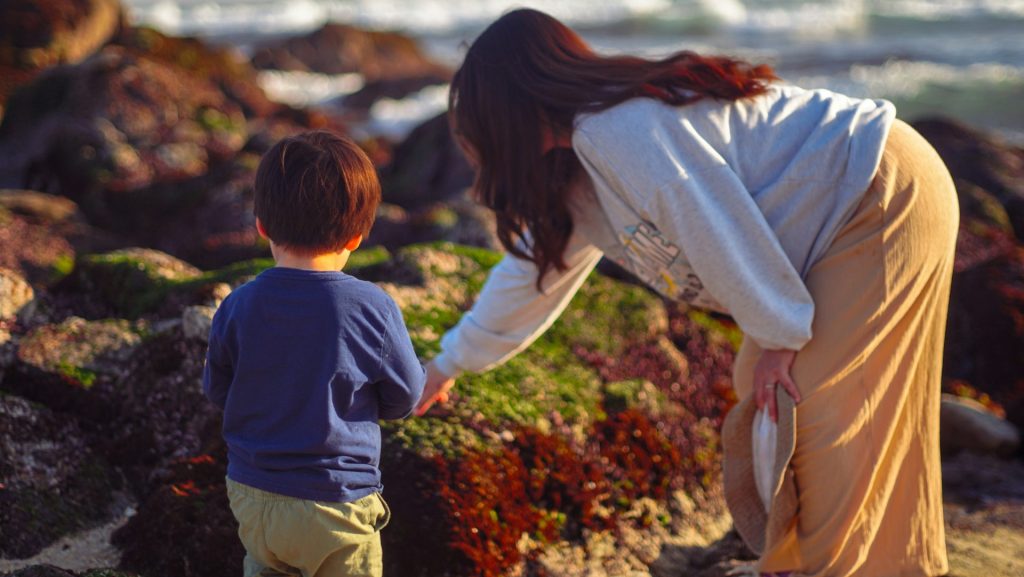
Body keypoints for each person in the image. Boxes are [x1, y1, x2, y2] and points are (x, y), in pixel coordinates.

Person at [415, 8, 957, 577]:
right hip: (838, 217)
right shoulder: (573, 173)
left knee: (814, 409)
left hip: (878, 190)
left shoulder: (614, 128)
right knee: (771, 396)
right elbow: (529, 279)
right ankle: (841, 563)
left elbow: (708, 218)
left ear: (511, 106)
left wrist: (777, 333)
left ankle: (841, 567)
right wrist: (448, 364)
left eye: (477, 123)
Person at [203, 131, 426, 577]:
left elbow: (218, 390)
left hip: (254, 493)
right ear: (359, 235)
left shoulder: (238, 303)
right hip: (337, 502)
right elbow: (406, 397)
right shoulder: (372, 307)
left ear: (262, 225)